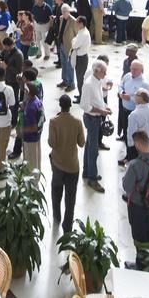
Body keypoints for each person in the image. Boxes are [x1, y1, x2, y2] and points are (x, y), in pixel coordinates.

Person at [121, 130, 149, 263]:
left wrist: (126, 171)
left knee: (138, 236)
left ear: (137, 144)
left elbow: (127, 187)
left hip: (137, 205)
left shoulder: (135, 165)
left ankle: (141, 264)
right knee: (148, 229)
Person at [47, 94, 83, 237]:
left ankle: (57, 216)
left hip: (57, 163)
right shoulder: (77, 122)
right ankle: (68, 224)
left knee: (56, 190)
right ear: (70, 106)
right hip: (72, 164)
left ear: (60, 106)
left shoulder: (54, 121)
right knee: (71, 196)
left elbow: (52, 143)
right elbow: (81, 143)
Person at [79, 61, 112, 193]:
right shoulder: (88, 84)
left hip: (96, 117)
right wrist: (101, 111)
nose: (106, 74)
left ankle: (87, 172)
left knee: (89, 145)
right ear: (97, 71)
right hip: (91, 118)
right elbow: (84, 105)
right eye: (104, 71)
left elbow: (98, 97)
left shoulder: (97, 81)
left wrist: (104, 106)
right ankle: (92, 178)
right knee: (93, 150)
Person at [70, 17, 92, 101]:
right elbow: (74, 41)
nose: (75, 24)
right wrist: (74, 41)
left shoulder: (84, 34)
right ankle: (80, 94)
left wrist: (73, 41)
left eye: (77, 22)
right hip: (79, 57)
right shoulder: (81, 31)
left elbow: (74, 45)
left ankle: (82, 97)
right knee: (79, 78)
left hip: (82, 58)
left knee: (80, 78)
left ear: (81, 23)